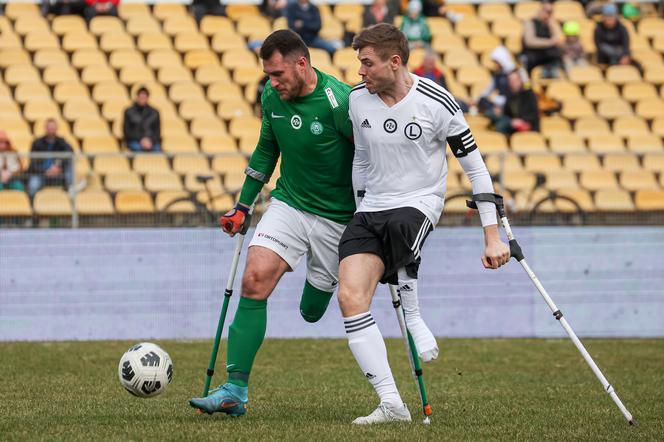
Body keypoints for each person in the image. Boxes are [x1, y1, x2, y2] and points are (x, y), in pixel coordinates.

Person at [339, 23, 510, 424]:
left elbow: (478, 172)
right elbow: (361, 161)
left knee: (403, 228)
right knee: (350, 296)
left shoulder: (438, 101)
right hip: (372, 206)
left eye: (367, 63)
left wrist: (492, 236)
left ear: (394, 62)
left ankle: (413, 318)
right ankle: (391, 404)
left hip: (419, 202)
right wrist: (359, 207)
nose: (360, 71)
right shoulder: (356, 101)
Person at [26, 119, 74, 197]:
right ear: (45, 128)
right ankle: (32, 205)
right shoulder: (37, 143)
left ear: (57, 128)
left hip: (58, 174)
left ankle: (71, 189)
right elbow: (33, 163)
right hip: (41, 174)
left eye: (53, 127)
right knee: (33, 185)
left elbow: (70, 152)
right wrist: (45, 171)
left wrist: (58, 167)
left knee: (70, 164)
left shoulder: (61, 142)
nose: (51, 129)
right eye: (49, 127)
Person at [487, 70, 540, 135]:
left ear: (520, 80)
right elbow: (507, 113)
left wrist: (521, 122)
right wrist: (500, 112)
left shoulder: (529, 95)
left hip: (529, 128)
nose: (513, 83)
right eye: (511, 80)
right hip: (513, 129)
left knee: (502, 124)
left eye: (515, 80)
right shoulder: (509, 97)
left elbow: (532, 115)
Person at [520, 0, 563, 77]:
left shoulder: (550, 23)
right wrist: (549, 42)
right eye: (546, 11)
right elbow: (530, 41)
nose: (548, 14)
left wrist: (551, 23)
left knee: (558, 55)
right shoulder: (530, 22)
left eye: (550, 12)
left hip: (547, 57)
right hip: (533, 56)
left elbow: (559, 39)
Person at [471, 46, 516, 114]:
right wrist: (477, 100)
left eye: (496, 62)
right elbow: (488, 90)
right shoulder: (497, 75)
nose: (495, 65)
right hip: (500, 103)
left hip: (512, 103)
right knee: (483, 101)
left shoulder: (515, 73)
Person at [594, 3, 638, 68]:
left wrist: (625, 56)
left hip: (620, 54)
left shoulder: (622, 28)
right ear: (603, 17)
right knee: (605, 49)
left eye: (611, 16)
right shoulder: (599, 28)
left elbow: (626, 44)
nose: (609, 18)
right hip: (605, 57)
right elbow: (599, 45)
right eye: (607, 16)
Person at [122, 86, 161, 153]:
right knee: (138, 150)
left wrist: (150, 140)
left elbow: (157, 132)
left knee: (158, 151)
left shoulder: (154, 113)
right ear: (137, 97)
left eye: (144, 97)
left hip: (151, 142)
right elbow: (127, 131)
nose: (142, 99)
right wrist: (141, 140)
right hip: (135, 141)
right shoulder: (129, 112)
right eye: (141, 96)